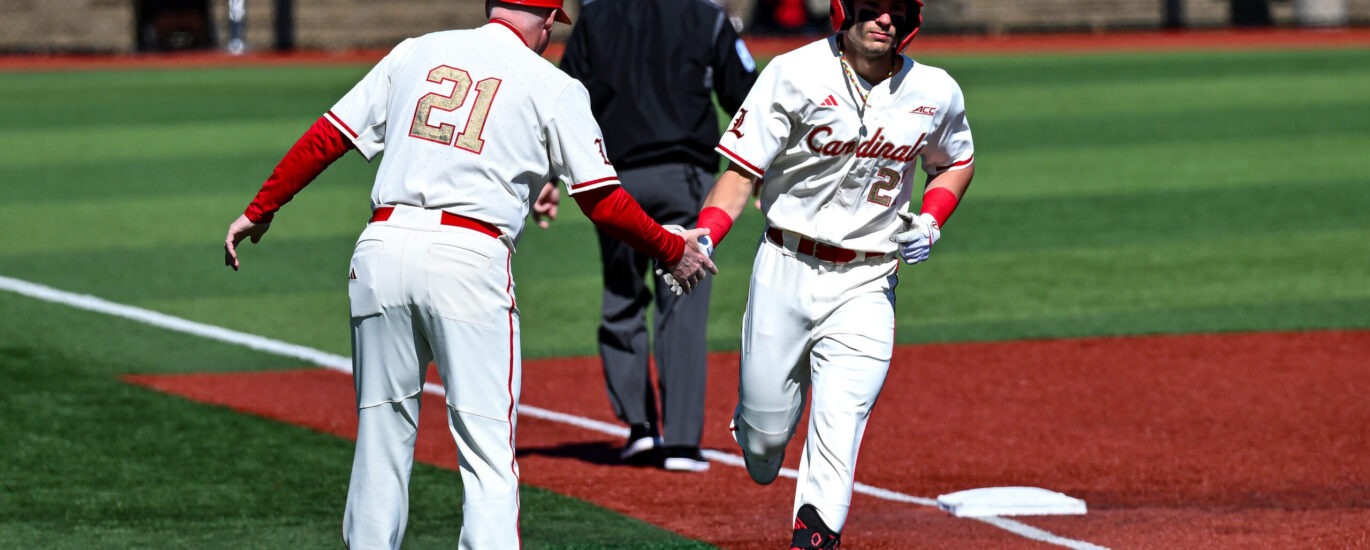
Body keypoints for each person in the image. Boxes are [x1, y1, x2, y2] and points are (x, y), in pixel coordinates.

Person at [221, 1, 716, 548]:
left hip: (381, 249)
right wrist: (672, 248)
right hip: (468, 258)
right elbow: (602, 200)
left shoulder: (417, 51)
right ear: (548, 18)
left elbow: (329, 136)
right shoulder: (552, 84)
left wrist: (260, 208)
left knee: (381, 442)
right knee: (487, 452)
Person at [690, 0, 974, 546]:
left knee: (840, 420)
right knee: (765, 448)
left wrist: (933, 220)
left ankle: (815, 539)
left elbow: (955, 160)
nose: (882, 20)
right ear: (844, 11)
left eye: (895, 10)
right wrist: (706, 232)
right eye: (871, 7)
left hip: (868, 280)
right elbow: (742, 170)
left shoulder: (935, 90)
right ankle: (755, 427)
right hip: (785, 266)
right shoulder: (793, 73)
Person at [558, 0, 758, 473]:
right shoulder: (706, 15)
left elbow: (566, 96)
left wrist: (553, 174)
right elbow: (748, 97)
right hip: (682, 176)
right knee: (683, 299)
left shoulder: (595, 17)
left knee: (622, 296)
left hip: (613, 180)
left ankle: (640, 430)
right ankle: (684, 442)